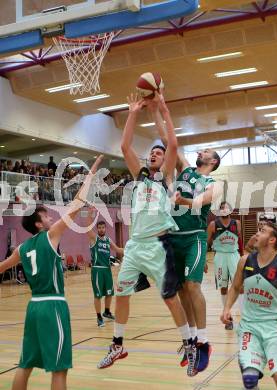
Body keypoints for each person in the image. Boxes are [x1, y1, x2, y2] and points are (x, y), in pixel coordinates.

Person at [98, 93, 197, 377]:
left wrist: (164, 110)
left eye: (158, 152)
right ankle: (117, 344)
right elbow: (124, 144)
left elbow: (174, 144)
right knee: (121, 293)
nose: (154, 154)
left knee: (169, 299)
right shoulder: (139, 175)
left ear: (165, 160)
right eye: (152, 152)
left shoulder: (165, 177)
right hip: (134, 247)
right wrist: (132, 112)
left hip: (157, 246)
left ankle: (189, 344)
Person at [0, 156, 103, 390]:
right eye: (46, 216)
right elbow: (77, 204)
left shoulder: (22, 249)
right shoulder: (50, 236)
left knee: (24, 365)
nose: (51, 218)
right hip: (53, 305)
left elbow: (1, 267)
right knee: (59, 369)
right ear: (39, 224)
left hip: (33, 307)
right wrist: (91, 174)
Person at [150, 103, 221, 373]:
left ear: (212, 161)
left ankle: (204, 343)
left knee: (192, 287)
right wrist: (157, 107)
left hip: (194, 238)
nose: (201, 151)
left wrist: (183, 199)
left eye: (206, 151)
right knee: (181, 291)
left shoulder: (214, 183)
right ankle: (191, 340)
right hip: (173, 237)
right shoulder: (186, 170)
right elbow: (168, 141)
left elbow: (202, 201)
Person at [221, 221, 277, 390]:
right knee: (249, 379)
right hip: (249, 327)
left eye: (262, 231)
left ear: (272, 240)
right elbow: (235, 287)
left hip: (274, 329)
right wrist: (226, 308)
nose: (256, 234)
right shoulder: (244, 261)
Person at [207, 201, 244, 330]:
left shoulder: (237, 223)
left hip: (234, 255)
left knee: (240, 286)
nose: (224, 209)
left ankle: (245, 317)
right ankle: (228, 318)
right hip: (220, 256)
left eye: (226, 207)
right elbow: (207, 242)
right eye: (221, 208)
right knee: (223, 287)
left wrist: (242, 255)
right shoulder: (213, 224)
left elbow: (240, 240)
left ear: (230, 210)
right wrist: (204, 260)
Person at [86, 209, 124, 327]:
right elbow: (87, 228)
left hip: (107, 269)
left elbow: (118, 250)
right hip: (97, 270)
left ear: (105, 229)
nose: (101, 229)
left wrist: (132, 250)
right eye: (100, 228)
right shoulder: (94, 239)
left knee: (109, 293)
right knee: (98, 295)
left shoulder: (108, 240)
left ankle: (107, 312)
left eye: (103, 227)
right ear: (97, 229)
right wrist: (90, 214)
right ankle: (98, 317)